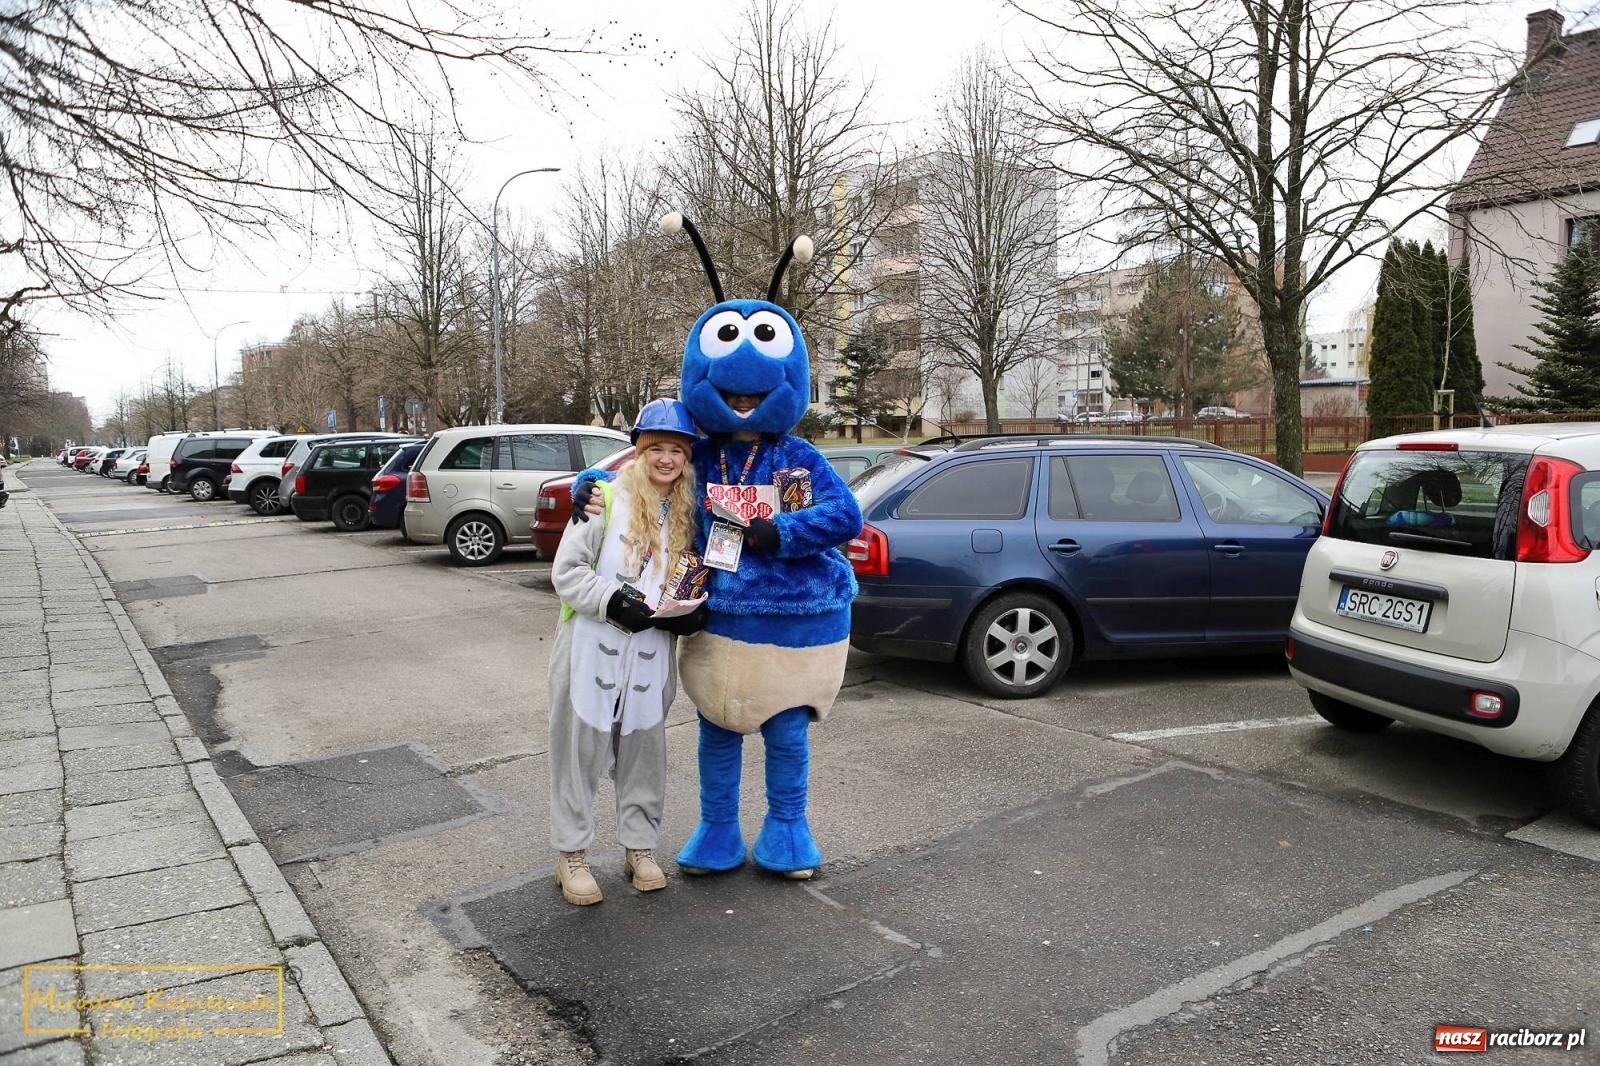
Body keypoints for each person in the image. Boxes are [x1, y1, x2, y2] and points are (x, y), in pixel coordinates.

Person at [546, 398, 708, 906]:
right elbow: (566, 573)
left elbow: (691, 578)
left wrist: (693, 612)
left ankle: (639, 848)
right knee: (578, 755)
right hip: (590, 651)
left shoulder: (687, 513)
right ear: (639, 451)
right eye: (656, 448)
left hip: (651, 655)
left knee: (645, 757)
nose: (667, 459)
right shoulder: (603, 499)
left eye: (676, 451)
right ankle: (571, 855)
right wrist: (612, 601)